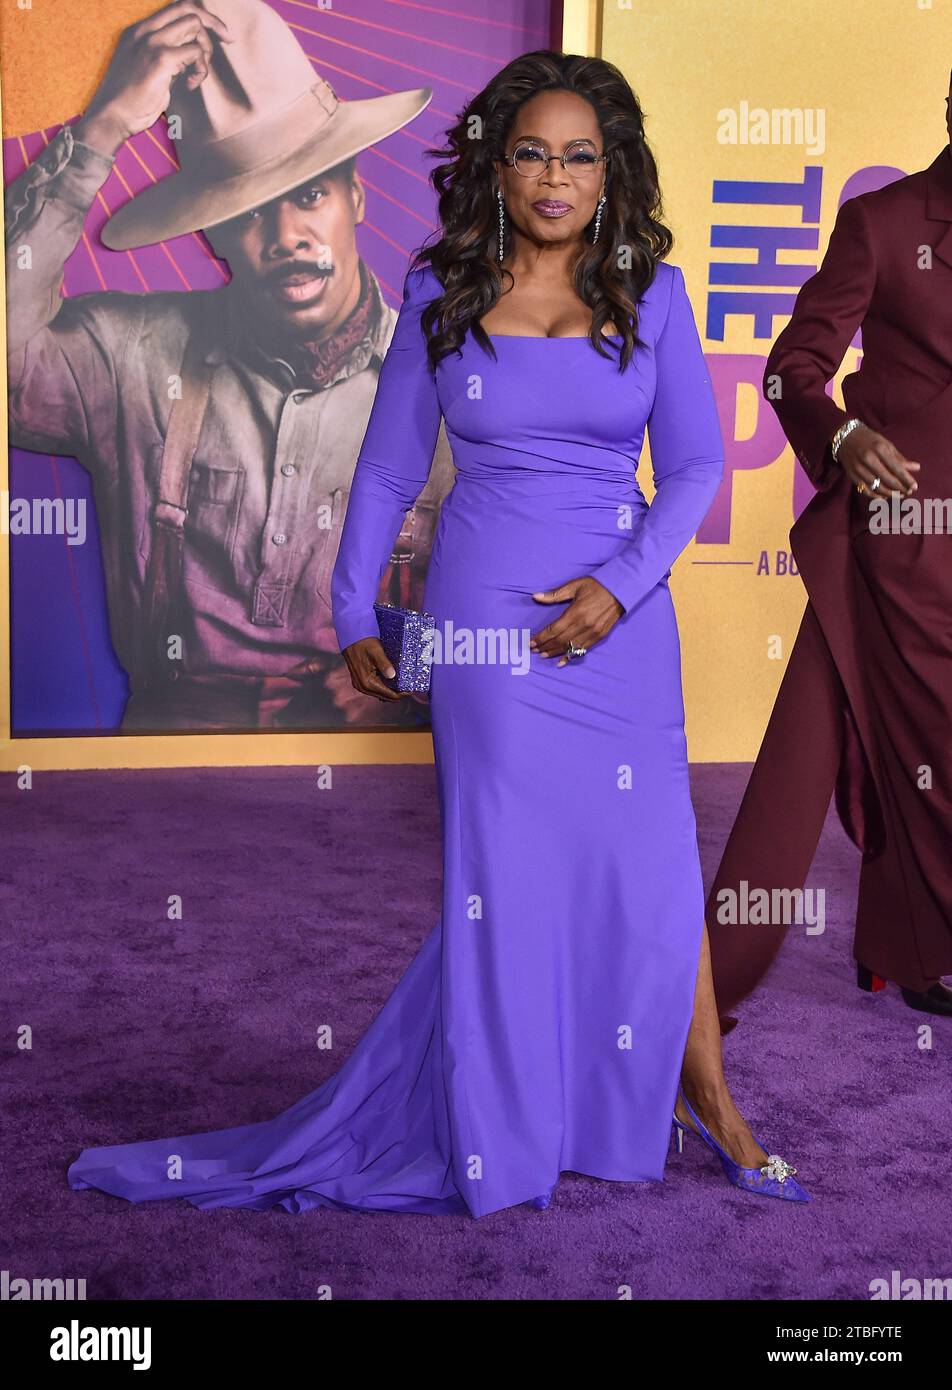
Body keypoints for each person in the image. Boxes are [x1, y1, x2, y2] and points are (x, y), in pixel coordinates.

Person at [67, 51, 809, 1216]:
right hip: (485, 634)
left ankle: (708, 1102)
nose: (554, 178)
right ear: (495, 166)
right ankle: (503, 1123)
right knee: (505, 878)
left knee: (650, 870)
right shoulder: (440, 287)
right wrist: (352, 607)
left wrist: (619, 585)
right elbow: (386, 469)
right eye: (530, 153)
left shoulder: (652, 289)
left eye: (577, 155)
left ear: (609, 169)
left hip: (620, 629)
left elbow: (699, 466)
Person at [5, 0, 453, 733]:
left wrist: (415, 675)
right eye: (248, 211)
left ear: (356, 197)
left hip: (376, 759)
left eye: (310, 195)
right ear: (211, 233)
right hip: (169, 764)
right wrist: (104, 127)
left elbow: (488, 580)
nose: (285, 236)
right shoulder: (130, 355)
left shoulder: (443, 381)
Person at [705, 74, 952, 1024]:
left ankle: (902, 952)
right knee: (926, 746)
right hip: (903, 546)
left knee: (911, 751)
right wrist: (842, 436)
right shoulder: (884, 224)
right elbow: (792, 368)